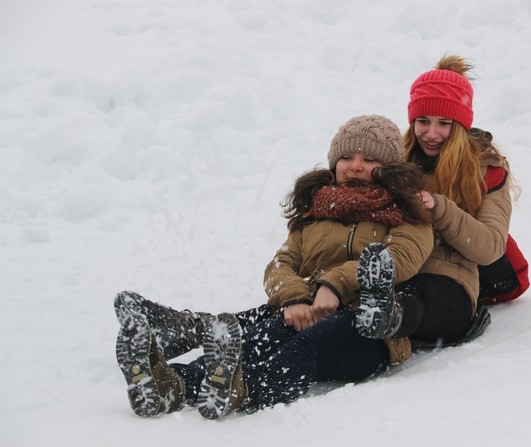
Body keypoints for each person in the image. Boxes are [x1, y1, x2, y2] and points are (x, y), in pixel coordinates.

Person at [114, 114, 435, 419]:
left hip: (367, 328)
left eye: (369, 160)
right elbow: (282, 263)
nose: (355, 167)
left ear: (388, 167)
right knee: (251, 341)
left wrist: (334, 284)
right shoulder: (315, 211)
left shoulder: (409, 210)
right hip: (309, 310)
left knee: (302, 350)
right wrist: (294, 298)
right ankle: (171, 384)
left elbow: (401, 258)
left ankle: (244, 390)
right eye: (347, 157)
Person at [354, 55, 516, 349]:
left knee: (429, 295)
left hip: (453, 273)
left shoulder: (486, 170)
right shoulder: (395, 159)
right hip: (403, 262)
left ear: (461, 125)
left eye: (444, 124)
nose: (431, 134)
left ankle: (390, 317)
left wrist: (439, 208)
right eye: (423, 122)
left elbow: (490, 246)